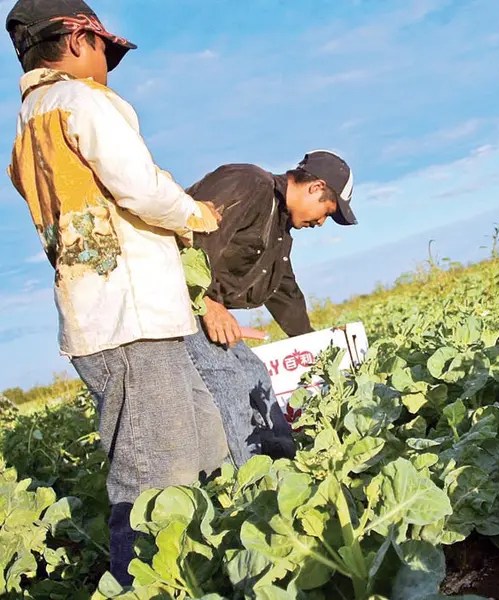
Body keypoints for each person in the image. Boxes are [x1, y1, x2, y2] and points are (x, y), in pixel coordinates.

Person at [5, 0, 229, 585]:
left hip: (114, 319)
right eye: (106, 50)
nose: (108, 63)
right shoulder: (79, 101)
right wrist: (195, 213)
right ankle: (141, 587)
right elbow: (140, 187)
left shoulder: (27, 127)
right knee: (152, 473)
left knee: (204, 437)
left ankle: (218, 559)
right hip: (127, 320)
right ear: (79, 39)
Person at [184, 151, 357, 466]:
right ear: (316, 187)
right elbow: (186, 238)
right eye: (326, 212)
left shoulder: (279, 227)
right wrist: (208, 303)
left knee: (255, 374)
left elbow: (283, 290)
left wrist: (317, 348)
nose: (320, 223)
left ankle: (283, 464)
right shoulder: (248, 183)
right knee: (227, 381)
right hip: (174, 299)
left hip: (196, 305)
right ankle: (250, 481)